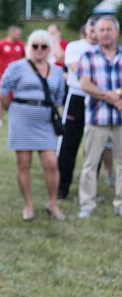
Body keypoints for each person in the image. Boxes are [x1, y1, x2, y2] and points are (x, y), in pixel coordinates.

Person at [0, 30, 66, 222]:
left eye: (44, 46)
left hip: (45, 122)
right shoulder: (17, 67)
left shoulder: (58, 71)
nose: (39, 50)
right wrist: (14, 111)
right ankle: (28, 205)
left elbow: (59, 96)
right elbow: (3, 92)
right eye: (35, 45)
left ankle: (52, 203)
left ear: (50, 49)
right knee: (24, 164)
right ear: (29, 47)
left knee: (51, 163)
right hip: (21, 121)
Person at [77, 15, 122, 218]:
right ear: (95, 33)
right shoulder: (88, 56)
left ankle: (120, 203)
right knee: (90, 163)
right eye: (101, 30)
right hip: (97, 118)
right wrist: (112, 98)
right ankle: (87, 204)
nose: (104, 33)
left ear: (116, 32)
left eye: (108, 29)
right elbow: (85, 84)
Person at [58, 18, 97, 200]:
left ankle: (89, 191)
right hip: (78, 98)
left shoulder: (106, 50)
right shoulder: (75, 46)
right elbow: (77, 70)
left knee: (95, 147)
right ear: (86, 29)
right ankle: (62, 188)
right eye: (92, 28)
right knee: (68, 144)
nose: (94, 32)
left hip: (98, 100)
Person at [0, 25, 24, 131]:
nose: (19, 35)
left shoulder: (21, 45)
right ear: (11, 33)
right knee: (0, 98)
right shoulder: (0, 44)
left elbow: (26, 58)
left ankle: (14, 119)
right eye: (17, 33)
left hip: (18, 78)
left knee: (17, 98)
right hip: (3, 77)